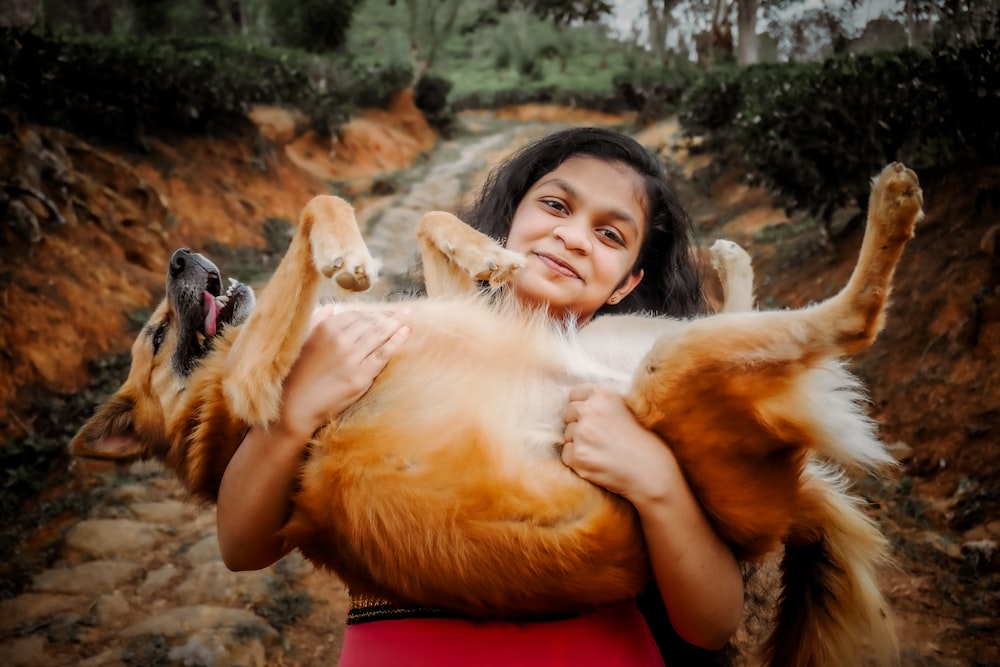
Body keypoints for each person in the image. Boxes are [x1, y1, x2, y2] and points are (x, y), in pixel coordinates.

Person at [216, 127, 744, 666]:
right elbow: (242, 548)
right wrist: (294, 412)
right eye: (556, 205)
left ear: (625, 285)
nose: (574, 237)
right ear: (511, 218)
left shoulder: (646, 391)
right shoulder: (382, 345)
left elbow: (712, 625)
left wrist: (658, 482)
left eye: (611, 236)